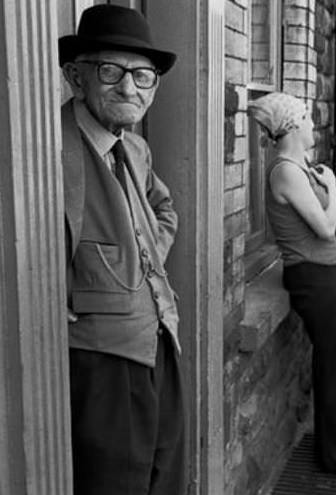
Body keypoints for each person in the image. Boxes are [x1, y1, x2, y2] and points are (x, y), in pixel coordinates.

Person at [59, 5, 184, 494]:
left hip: (161, 338)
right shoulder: (47, 148)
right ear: (76, 76)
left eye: (143, 75)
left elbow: (165, 209)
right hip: (99, 360)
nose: (129, 87)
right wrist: (64, 287)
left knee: (164, 473)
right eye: (110, 71)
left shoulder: (133, 147)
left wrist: (139, 256)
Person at [248, 92, 336, 480]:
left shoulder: (299, 166)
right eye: (305, 116)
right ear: (289, 126)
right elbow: (324, 229)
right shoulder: (285, 170)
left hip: (324, 273)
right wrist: (334, 188)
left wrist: (329, 186)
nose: (311, 122)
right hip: (310, 276)